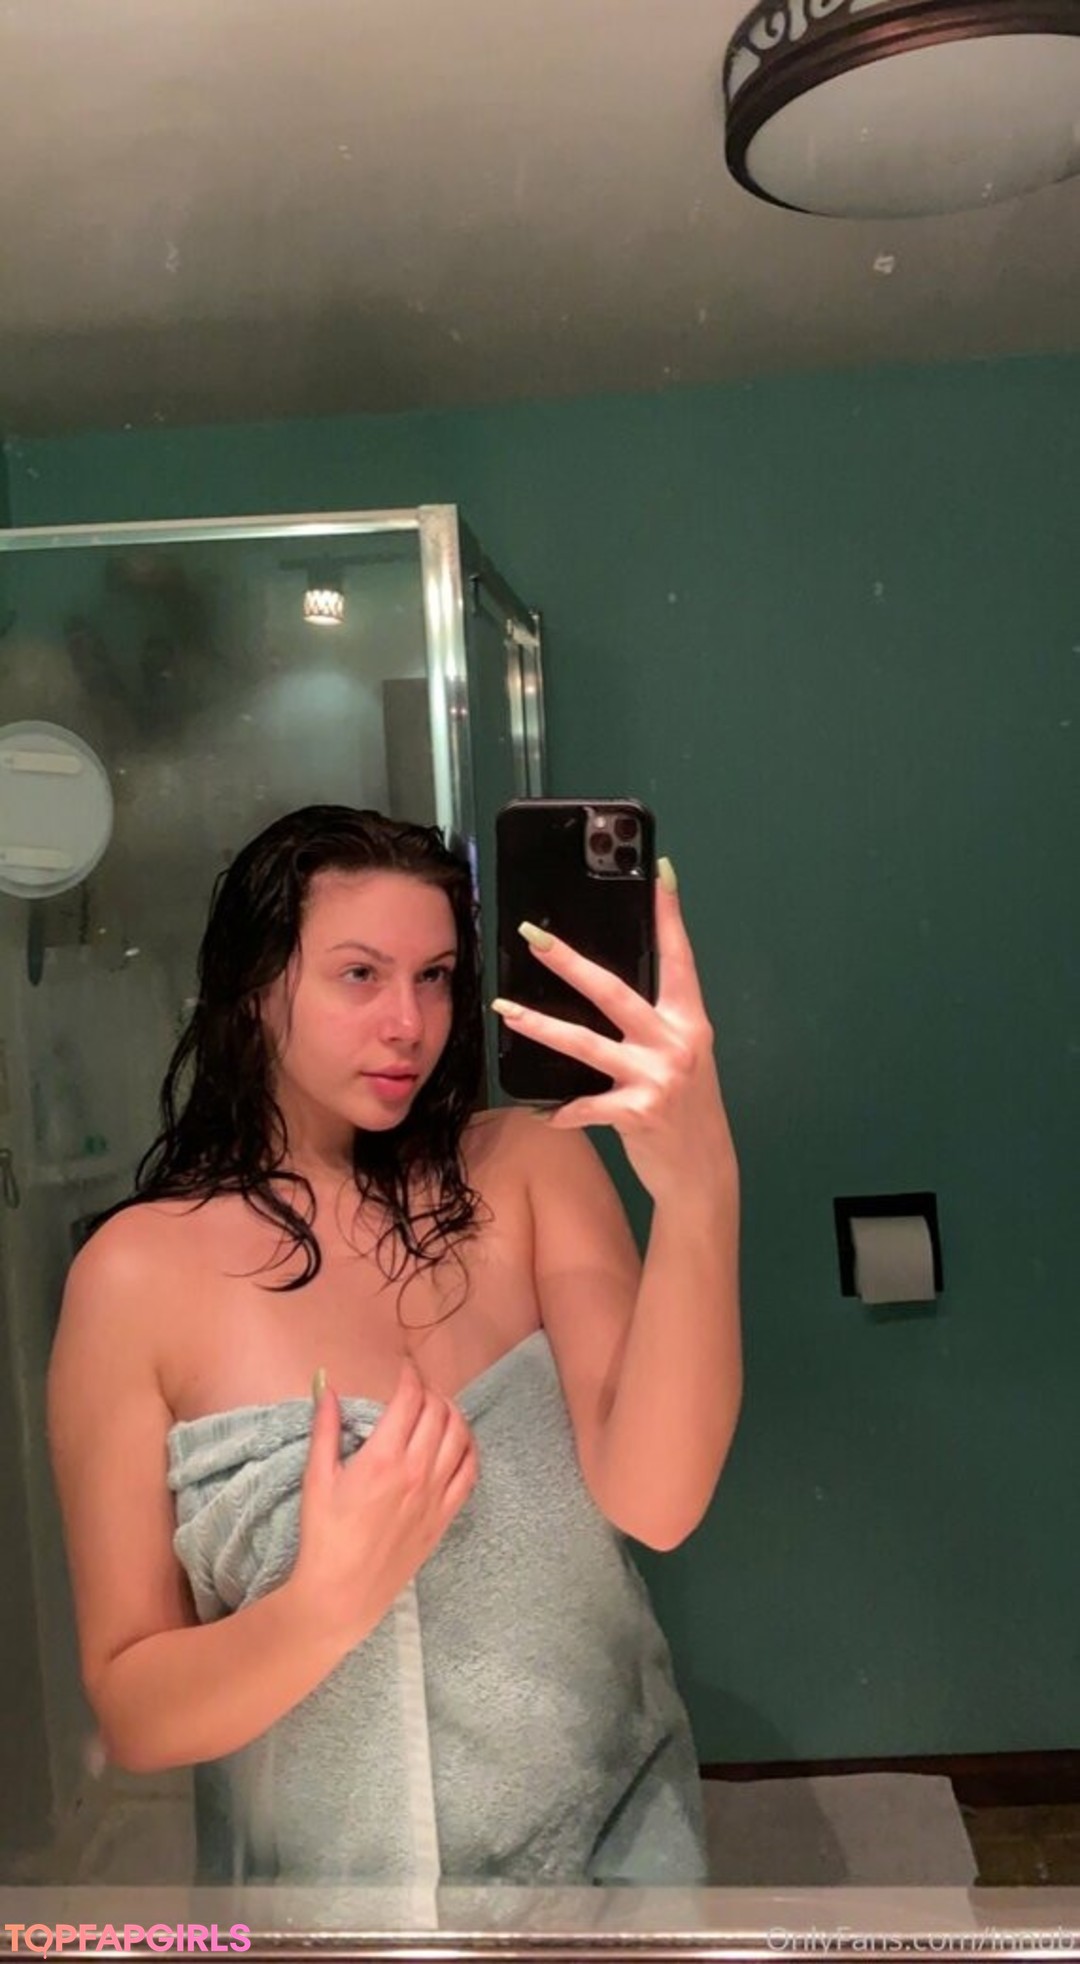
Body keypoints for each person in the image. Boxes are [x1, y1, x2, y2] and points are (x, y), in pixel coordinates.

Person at [47, 804, 742, 1886]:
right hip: (321, 1918)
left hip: (609, 1877)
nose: (409, 1022)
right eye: (360, 974)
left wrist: (701, 1192)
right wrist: (323, 1606)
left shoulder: (530, 1168)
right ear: (252, 986)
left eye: (435, 976)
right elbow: (133, 1709)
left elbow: (659, 1502)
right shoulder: (133, 1277)